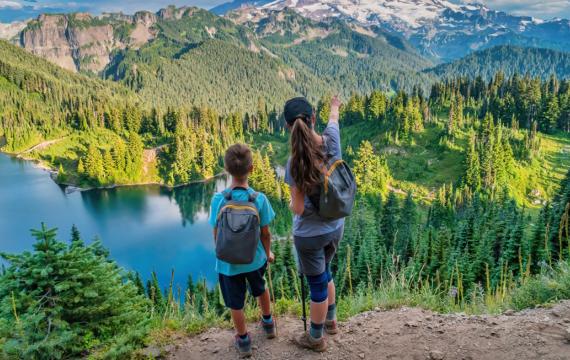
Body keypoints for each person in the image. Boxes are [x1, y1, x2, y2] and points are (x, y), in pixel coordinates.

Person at [284, 95, 344, 352]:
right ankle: (331, 321)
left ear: (288, 127)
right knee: (326, 272)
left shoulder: (294, 163)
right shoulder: (332, 141)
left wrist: (289, 204)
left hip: (309, 236)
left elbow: (297, 208)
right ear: (313, 119)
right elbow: (333, 121)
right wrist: (334, 106)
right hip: (335, 226)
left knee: (317, 284)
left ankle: (315, 338)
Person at [209, 143, 277, 358]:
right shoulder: (259, 199)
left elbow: (216, 232)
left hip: (228, 264)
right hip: (254, 259)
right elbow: (265, 234)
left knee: (235, 302)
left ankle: (244, 339)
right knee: (260, 288)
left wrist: (222, 251)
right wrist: (267, 253)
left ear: (227, 170)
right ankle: (268, 323)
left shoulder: (218, 200)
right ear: (252, 168)